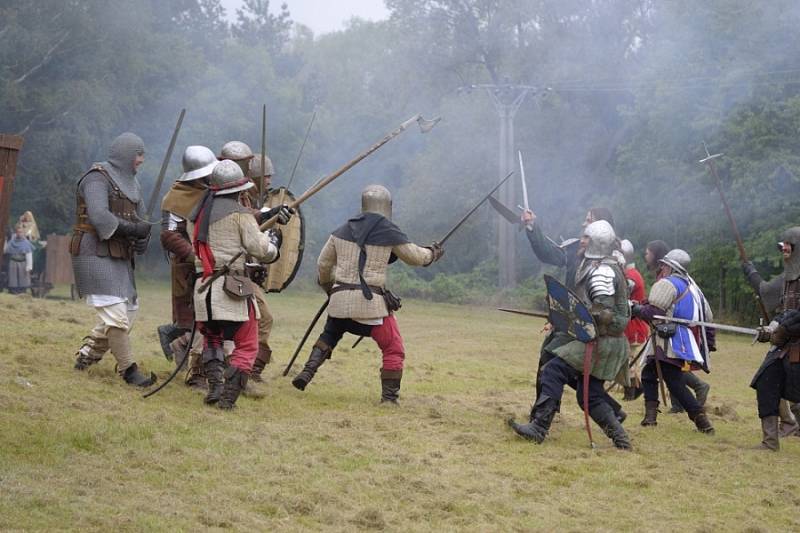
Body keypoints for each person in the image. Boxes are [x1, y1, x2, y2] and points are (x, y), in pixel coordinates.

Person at [290, 184, 443, 403]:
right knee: (393, 347)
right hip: (371, 307)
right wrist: (432, 253)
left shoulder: (343, 229)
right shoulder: (388, 231)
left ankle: (307, 371)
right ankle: (389, 399)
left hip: (340, 303)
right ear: (386, 206)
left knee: (330, 335)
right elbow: (416, 257)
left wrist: (328, 288)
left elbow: (323, 264)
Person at [508, 220, 632, 449]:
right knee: (589, 395)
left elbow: (602, 314)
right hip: (604, 340)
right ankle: (622, 439)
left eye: (585, 238)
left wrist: (572, 318)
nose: (581, 241)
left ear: (595, 242)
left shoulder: (601, 271)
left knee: (553, 370)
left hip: (600, 341)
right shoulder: (603, 265)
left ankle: (539, 427)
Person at [190, 159, 281, 409]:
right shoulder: (240, 216)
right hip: (232, 288)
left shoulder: (197, 214)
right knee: (248, 343)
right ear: (238, 189)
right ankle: (227, 399)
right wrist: (272, 243)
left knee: (213, 339)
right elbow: (260, 249)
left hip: (204, 289)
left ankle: (216, 387)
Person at [71, 132, 156, 387]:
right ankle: (129, 371)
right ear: (126, 155)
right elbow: (100, 217)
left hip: (119, 253)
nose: (141, 160)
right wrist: (133, 230)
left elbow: (140, 219)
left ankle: (88, 355)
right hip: (94, 251)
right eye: (138, 155)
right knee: (116, 315)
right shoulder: (97, 178)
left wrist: (143, 236)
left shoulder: (131, 182)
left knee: (128, 312)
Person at [632, 249, 715, 434]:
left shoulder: (667, 284)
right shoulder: (693, 287)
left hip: (668, 339)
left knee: (674, 381)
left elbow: (654, 313)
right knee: (648, 373)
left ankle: (702, 421)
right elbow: (708, 318)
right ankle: (650, 418)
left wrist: (635, 310)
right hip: (681, 338)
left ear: (670, 266)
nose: (661, 267)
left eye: (664, 265)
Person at [156, 145, 217, 389]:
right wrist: (195, 256)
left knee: (206, 320)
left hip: (211, 264)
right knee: (194, 318)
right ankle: (194, 371)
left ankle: (181, 347)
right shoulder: (176, 197)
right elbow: (169, 235)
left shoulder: (211, 193)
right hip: (187, 267)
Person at [743, 227, 800, 450]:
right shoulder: (788, 278)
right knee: (766, 381)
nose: (783, 248)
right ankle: (770, 442)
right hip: (787, 345)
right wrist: (771, 328)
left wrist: (782, 326)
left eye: (788, 245)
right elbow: (785, 311)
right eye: (782, 245)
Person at [619, 239, 649, 400]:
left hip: (634, 325)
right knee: (626, 360)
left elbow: (620, 297)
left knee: (630, 361)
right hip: (629, 324)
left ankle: (631, 392)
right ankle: (634, 390)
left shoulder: (631, 276)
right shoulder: (628, 274)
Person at [4, 224, 33, 294]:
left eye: (21, 232)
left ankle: (22, 292)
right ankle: (13, 291)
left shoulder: (26, 243)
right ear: (16, 233)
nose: (19, 234)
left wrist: (29, 266)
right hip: (13, 262)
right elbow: (5, 250)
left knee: (23, 279)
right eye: (18, 232)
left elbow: (29, 255)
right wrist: (4, 241)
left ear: (23, 233)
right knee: (13, 279)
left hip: (22, 263)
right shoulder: (12, 242)